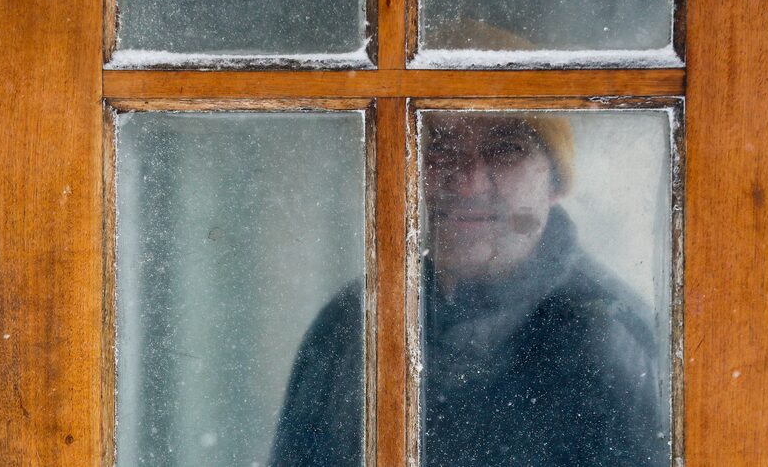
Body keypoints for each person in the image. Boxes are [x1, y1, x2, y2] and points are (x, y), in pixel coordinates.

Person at [269, 113, 669, 466]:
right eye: (441, 145)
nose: (466, 181)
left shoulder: (609, 340)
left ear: (554, 183)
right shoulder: (354, 322)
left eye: (506, 150)